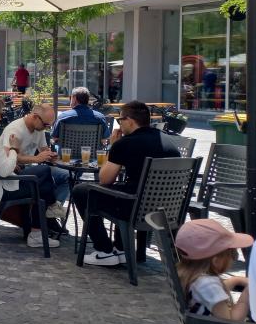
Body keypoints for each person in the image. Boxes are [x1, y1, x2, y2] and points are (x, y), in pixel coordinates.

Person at [74, 101, 180, 266]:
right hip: (168, 207)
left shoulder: (126, 143)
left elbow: (105, 179)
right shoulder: (170, 141)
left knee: (81, 191)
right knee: (126, 187)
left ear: (129, 120)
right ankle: (121, 249)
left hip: (136, 208)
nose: (119, 124)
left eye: (120, 120)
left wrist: (113, 147)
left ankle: (104, 251)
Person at [0, 95, 58, 249]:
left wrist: (11, 159)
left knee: (43, 176)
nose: (1, 117)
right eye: (0, 113)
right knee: (43, 176)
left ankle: (41, 222)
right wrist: (14, 149)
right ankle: (42, 224)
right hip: (1, 188)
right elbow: (4, 171)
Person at [175, 219, 256, 324]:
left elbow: (210, 296)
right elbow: (231, 323)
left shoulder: (189, 275)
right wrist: (249, 292)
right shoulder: (207, 284)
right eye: (231, 255)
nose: (233, 260)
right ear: (215, 259)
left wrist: (235, 280)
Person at [0, 104, 70, 225]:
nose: (47, 128)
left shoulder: (39, 128)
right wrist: (37, 159)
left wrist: (50, 155)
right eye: (46, 124)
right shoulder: (15, 129)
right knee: (44, 172)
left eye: (49, 125)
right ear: (35, 117)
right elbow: (10, 157)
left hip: (29, 169)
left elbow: (43, 149)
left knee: (66, 176)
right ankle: (45, 219)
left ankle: (52, 211)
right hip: (13, 172)